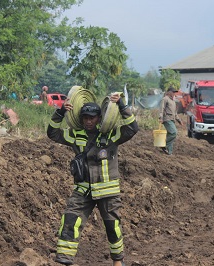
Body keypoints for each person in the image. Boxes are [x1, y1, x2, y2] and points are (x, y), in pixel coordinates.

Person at [47, 93, 138, 266]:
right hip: (83, 191)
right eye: (85, 118)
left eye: (92, 118)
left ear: (99, 118)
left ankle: (118, 261)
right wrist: (59, 112)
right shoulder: (75, 135)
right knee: (70, 222)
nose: (89, 121)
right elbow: (52, 133)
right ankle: (65, 261)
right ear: (81, 119)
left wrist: (121, 105)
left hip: (108, 192)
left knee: (113, 228)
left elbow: (132, 128)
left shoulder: (111, 136)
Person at [159, 86, 183, 155]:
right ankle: (163, 144)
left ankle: (169, 153)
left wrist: (179, 120)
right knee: (173, 133)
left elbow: (175, 113)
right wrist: (160, 118)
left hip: (172, 120)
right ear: (169, 92)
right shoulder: (165, 99)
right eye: (173, 92)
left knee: (171, 134)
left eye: (174, 92)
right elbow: (162, 109)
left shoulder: (173, 101)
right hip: (167, 119)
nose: (174, 93)